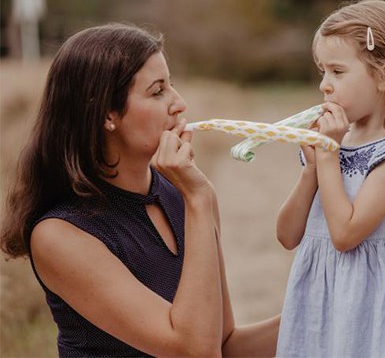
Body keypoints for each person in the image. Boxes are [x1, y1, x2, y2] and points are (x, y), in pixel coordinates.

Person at [0, 23, 279, 357]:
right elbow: (194, 350)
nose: (179, 104)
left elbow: (224, 344)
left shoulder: (182, 197)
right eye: (158, 91)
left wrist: (332, 310)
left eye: (171, 86)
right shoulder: (60, 234)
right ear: (107, 113)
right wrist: (199, 199)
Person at [275, 0, 385, 357]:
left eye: (337, 71)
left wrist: (327, 157)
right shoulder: (332, 146)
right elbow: (288, 236)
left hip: (372, 308)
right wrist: (311, 173)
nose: (324, 85)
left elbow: (345, 235)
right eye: (322, 71)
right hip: (322, 301)